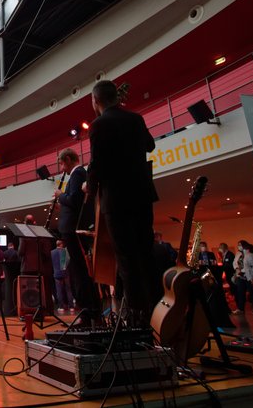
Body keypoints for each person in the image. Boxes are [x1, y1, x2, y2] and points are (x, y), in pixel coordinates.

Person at [84, 80, 159, 327]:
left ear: (96, 101)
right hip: (142, 194)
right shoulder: (135, 119)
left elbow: (96, 163)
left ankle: (136, 319)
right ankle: (158, 315)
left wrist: (89, 188)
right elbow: (150, 145)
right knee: (146, 255)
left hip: (116, 199)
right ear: (115, 96)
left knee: (126, 259)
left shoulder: (98, 125)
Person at [52, 148, 97, 322]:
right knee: (77, 271)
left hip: (73, 230)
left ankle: (88, 311)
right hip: (70, 229)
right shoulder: (77, 175)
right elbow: (73, 203)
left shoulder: (78, 174)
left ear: (69, 159)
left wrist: (60, 195)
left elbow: (75, 200)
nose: (62, 168)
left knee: (80, 272)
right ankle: (86, 310)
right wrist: (61, 205)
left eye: (62, 163)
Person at [50, 239, 74, 312]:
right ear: (61, 244)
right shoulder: (64, 251)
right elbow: (67, 261)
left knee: (59, 291)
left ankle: (61, 307)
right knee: (68, 290)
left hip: (56, 273)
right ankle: (71, 306)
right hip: (65, 273)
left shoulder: (52, 252)